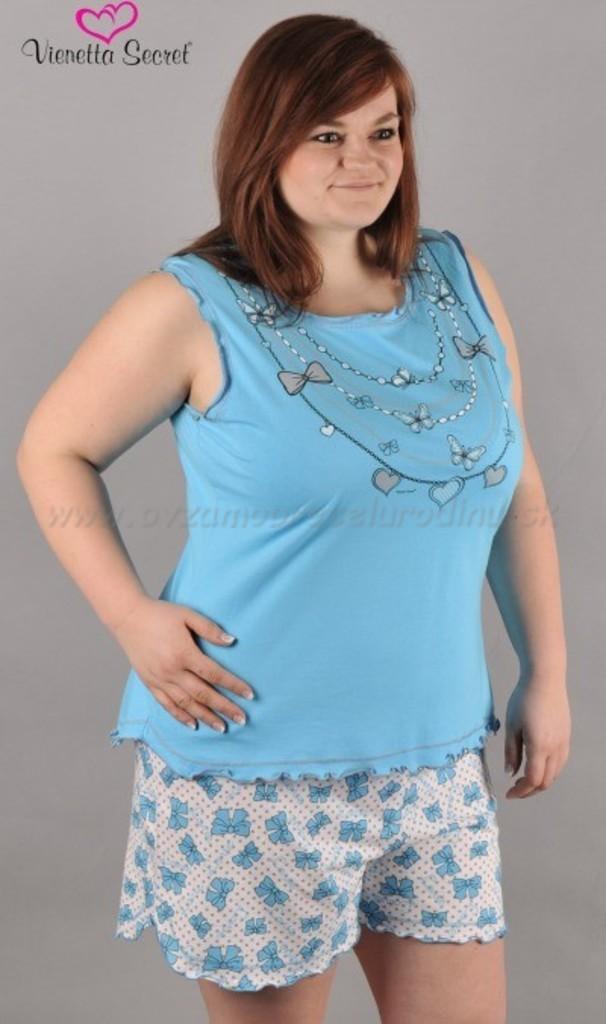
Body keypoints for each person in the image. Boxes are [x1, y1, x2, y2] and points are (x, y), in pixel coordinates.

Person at [16, 13, 570, 1024]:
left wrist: (548, 670)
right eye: (327, 134)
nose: (364, 161)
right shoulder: (189, 305)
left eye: (384, 131)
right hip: (252, 765)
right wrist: (131, 618)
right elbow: (52, 448)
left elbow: (516, 489)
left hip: (434, 760)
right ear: (264, 141)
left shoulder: (458, 280)